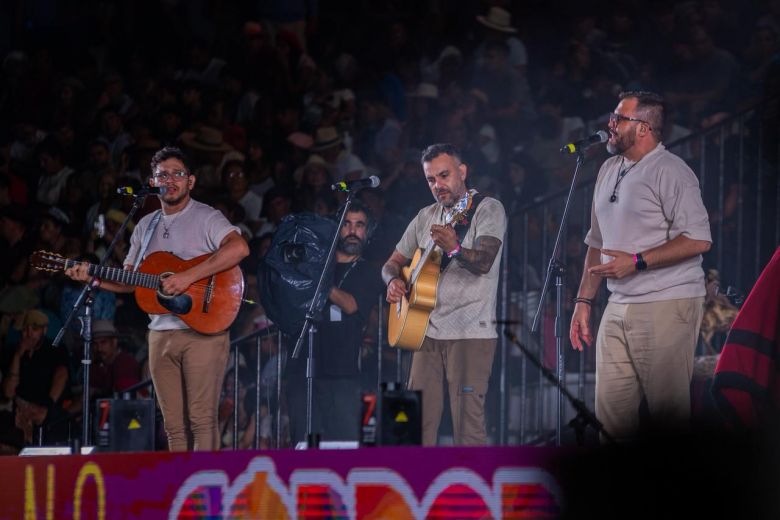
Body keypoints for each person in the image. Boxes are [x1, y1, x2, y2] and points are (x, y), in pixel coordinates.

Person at [65, 146, 249, 451]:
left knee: (202, 419)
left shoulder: (206, 216)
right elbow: (131, 281)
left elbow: (239, 248)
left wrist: (187, 277)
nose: (171, 180)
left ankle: (206, 491)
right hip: (160, 333)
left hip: (203, 329)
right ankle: (182, 491)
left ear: (191, 181)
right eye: (163, 174)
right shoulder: (144, 225)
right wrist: (94, 278)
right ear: (152, 181)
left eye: (178, 173)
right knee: (173, 425)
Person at [569, 91, 712, 442]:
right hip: (618, 306)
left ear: (644, 128)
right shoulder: (607, 168)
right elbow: (596, 242)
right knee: (611, 420)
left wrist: (637, 262)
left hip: (667, 302)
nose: (610, 125)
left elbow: (698, 239)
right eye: (612, 117)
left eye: (620, 119)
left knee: (667, 417)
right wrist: (583, 302)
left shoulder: (672, 171)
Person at [382, 143, 507, 446]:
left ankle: (473, 488)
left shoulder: (487, 208)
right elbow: (391, 263)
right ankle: (418, 488)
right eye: (430, 179)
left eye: (444, 175)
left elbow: (485, 261)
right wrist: (391, 282)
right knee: (417, 421)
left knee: (468, 422)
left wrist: (454, 248)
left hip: (471, 333)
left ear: (462, 171)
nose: (438, 185)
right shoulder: (426, 215)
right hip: (426, 330)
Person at [287, 200, 382, 444]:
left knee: (344, 450)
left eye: (359, 225)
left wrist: (316, 278)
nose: (352, 231)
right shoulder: (317, 264)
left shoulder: (369, 272)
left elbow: (351, 304)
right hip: (303, 372)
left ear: (367, 232)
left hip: (343, 375)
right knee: (304, 449)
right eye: (346, 224)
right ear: (336, 229)